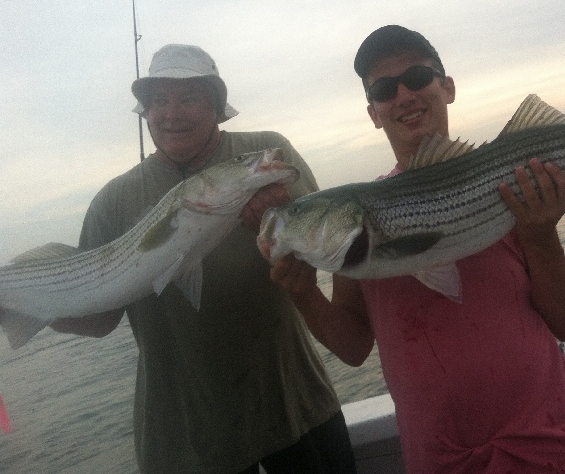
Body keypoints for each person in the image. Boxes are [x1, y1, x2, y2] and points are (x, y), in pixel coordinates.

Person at [269, 26, 565, 473]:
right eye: (383, 89)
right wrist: (303, 293)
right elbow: (354, 346)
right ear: (373, 113)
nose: (403, 95)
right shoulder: (357, 236)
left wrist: (539, 232)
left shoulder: (511, 187)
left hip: (560, 449)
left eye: (417, 77)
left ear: (447, 87)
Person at [51, 44, 357, 474]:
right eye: (159, 101)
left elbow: (333, 249)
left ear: (217, 107)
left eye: (188, 98)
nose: (171, 113)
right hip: (185, 444)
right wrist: (28, 309)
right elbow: (100, 319)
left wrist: (281, 223)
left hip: (296, 409)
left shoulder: (267, 153)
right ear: (146, 112)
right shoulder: (113, 201)